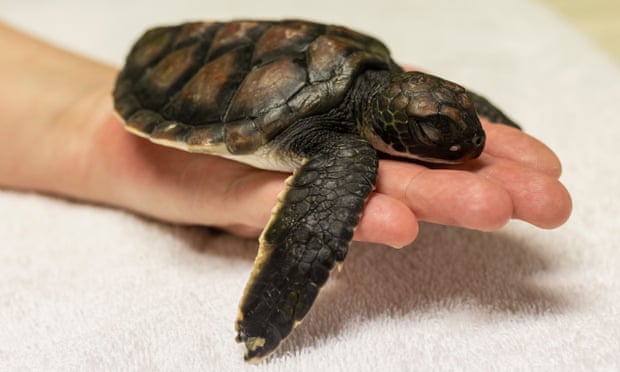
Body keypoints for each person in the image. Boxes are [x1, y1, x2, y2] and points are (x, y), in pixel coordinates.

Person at [0, 22, 572, 248]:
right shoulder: (338, 140)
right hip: (187, 69)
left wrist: (470, 127)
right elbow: (333, 179)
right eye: (430, 129)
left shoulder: (386, 79)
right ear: (391, 123)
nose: (456, 139)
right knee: (347, 167)